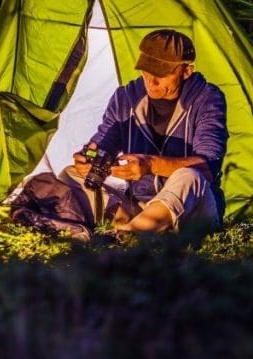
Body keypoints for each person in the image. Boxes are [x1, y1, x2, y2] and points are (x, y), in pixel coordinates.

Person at [64, 29, 228, 235]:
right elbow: (104, 143)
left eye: (161, 73)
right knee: (70, 174)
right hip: (138, 205)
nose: (151, 80)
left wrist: (150, 165)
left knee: (189, 177)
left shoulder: (207, 99)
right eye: (146, 70)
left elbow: (208, 168)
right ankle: (131, 226)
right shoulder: (126, 97)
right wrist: (91, 159)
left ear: (186, 71)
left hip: (193, 210)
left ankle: (126, 239)